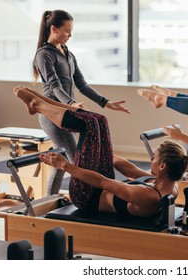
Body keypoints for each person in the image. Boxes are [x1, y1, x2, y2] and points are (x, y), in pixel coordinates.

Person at [13, 87, 188, 217]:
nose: (151, 159)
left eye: (153, 158)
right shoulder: (167, 184)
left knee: (89, 125)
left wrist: (65, 165)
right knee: (99, 121)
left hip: (86, 196)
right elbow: (128, 169)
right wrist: (97, 149)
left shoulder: (148, 196)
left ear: (162, 165)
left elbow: (101, 181)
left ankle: (37, 105)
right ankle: (39, 101)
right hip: (97, 185)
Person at [33, 10, 130, 195]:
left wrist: (106, 103)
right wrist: (70, 103)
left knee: (63, 161)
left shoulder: (67, 53)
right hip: (52, 114)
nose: (70, 35)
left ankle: (49, 199)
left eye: (71, 31)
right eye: (67, 31)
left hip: (67, 111)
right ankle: (89, 196)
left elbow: (82, 85)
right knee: (73, 160)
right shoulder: (44, 54)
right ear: (54, 28)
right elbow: (54, 86)